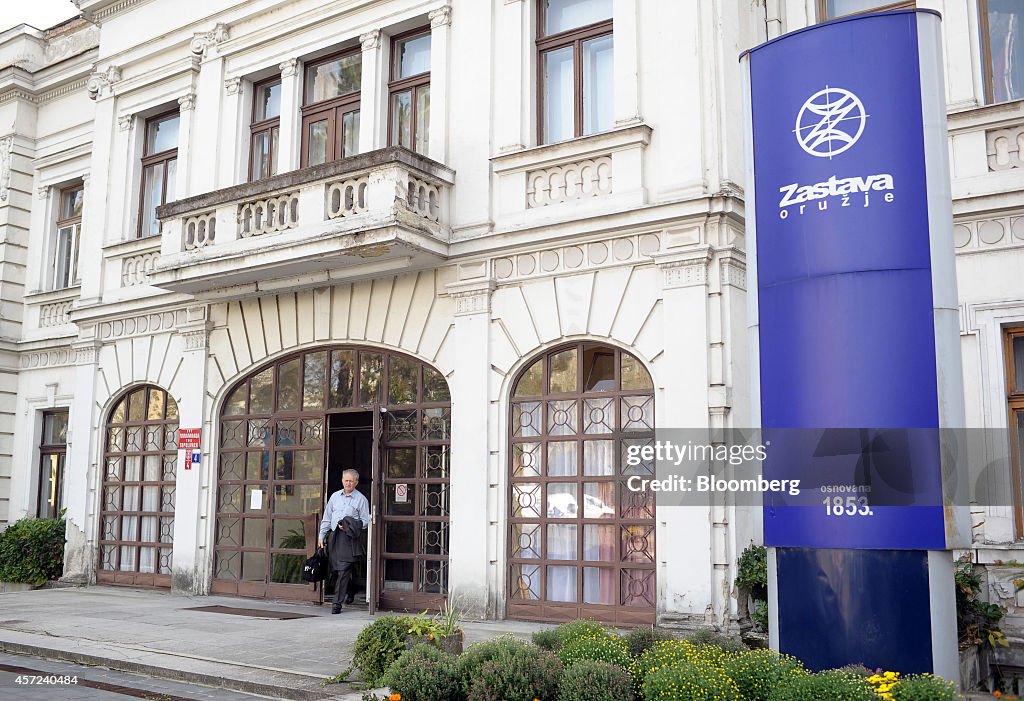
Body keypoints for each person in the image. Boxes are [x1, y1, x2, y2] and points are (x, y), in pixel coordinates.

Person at [318, 468, 369, 613]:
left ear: (356, 483)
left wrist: (351, 524)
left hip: (349, 539)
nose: (348, 483)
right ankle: (351, 589)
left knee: (344, 570)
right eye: (346, 480)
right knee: (336, 570)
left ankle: (336, 604)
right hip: (334, 537)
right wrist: (321, 535)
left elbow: (366, 521)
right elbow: (327, 518)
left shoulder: (361, 499)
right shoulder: (334, 497)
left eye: (351, 481)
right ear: (342, 481)